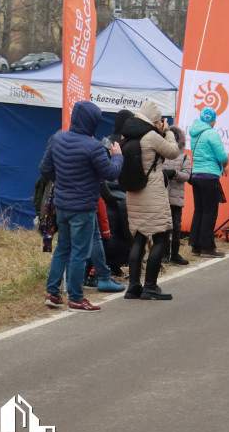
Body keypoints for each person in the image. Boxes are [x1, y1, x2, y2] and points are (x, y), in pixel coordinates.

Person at [40, 100, 122, 313]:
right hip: (83, 206)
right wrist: (118, 156)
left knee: (62, 248)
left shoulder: (57, 139)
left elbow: (45, 169)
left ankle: (53, 292)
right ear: (92, 121)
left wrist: (63, 180)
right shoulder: (93, 146)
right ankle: (76, 298)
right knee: (79, 252)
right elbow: (111, 172)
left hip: (62, 204)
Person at [122, 99, 181, 300]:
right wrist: (169, 132)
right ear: (155, 120)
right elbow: (173, 151)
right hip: (152, 192)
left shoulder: (128, 133)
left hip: (133, 192)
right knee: (160, 236)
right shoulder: (150, 136)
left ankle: (133, 286)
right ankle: (150, 286)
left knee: (139, 236)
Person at [188, 106, 229, 258]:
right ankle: (207, 247)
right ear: (213, 120)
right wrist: (225, 165)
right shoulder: (212, 133)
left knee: (198, 211)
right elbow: (222, 156)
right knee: (210, 212)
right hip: (209, 176)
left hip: (196, 175)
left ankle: (195, 246)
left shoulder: (194, 134)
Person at [163, 125, 191, 266]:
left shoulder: (185, 157)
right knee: (163, 226)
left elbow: (186, 176)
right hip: (162, 197)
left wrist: (174, 173)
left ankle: (175, 254)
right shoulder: (162, 154)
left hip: (176, 199)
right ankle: (164, 254)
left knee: (176, 227)